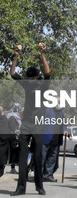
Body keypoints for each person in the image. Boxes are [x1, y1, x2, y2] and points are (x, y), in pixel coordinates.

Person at [10, 43, 50, 196]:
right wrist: (16, 55)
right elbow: (13, 73)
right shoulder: (27, 85)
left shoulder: (43, 85)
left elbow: (47, 72)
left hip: (39, 125)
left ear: (37, 78)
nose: (31, 80)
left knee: (38, 156)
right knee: (22, 156)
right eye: (30, 78)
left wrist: (42, 53)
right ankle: (20, 188)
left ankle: (39, 186)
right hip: (26, 124)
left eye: (33, 78)